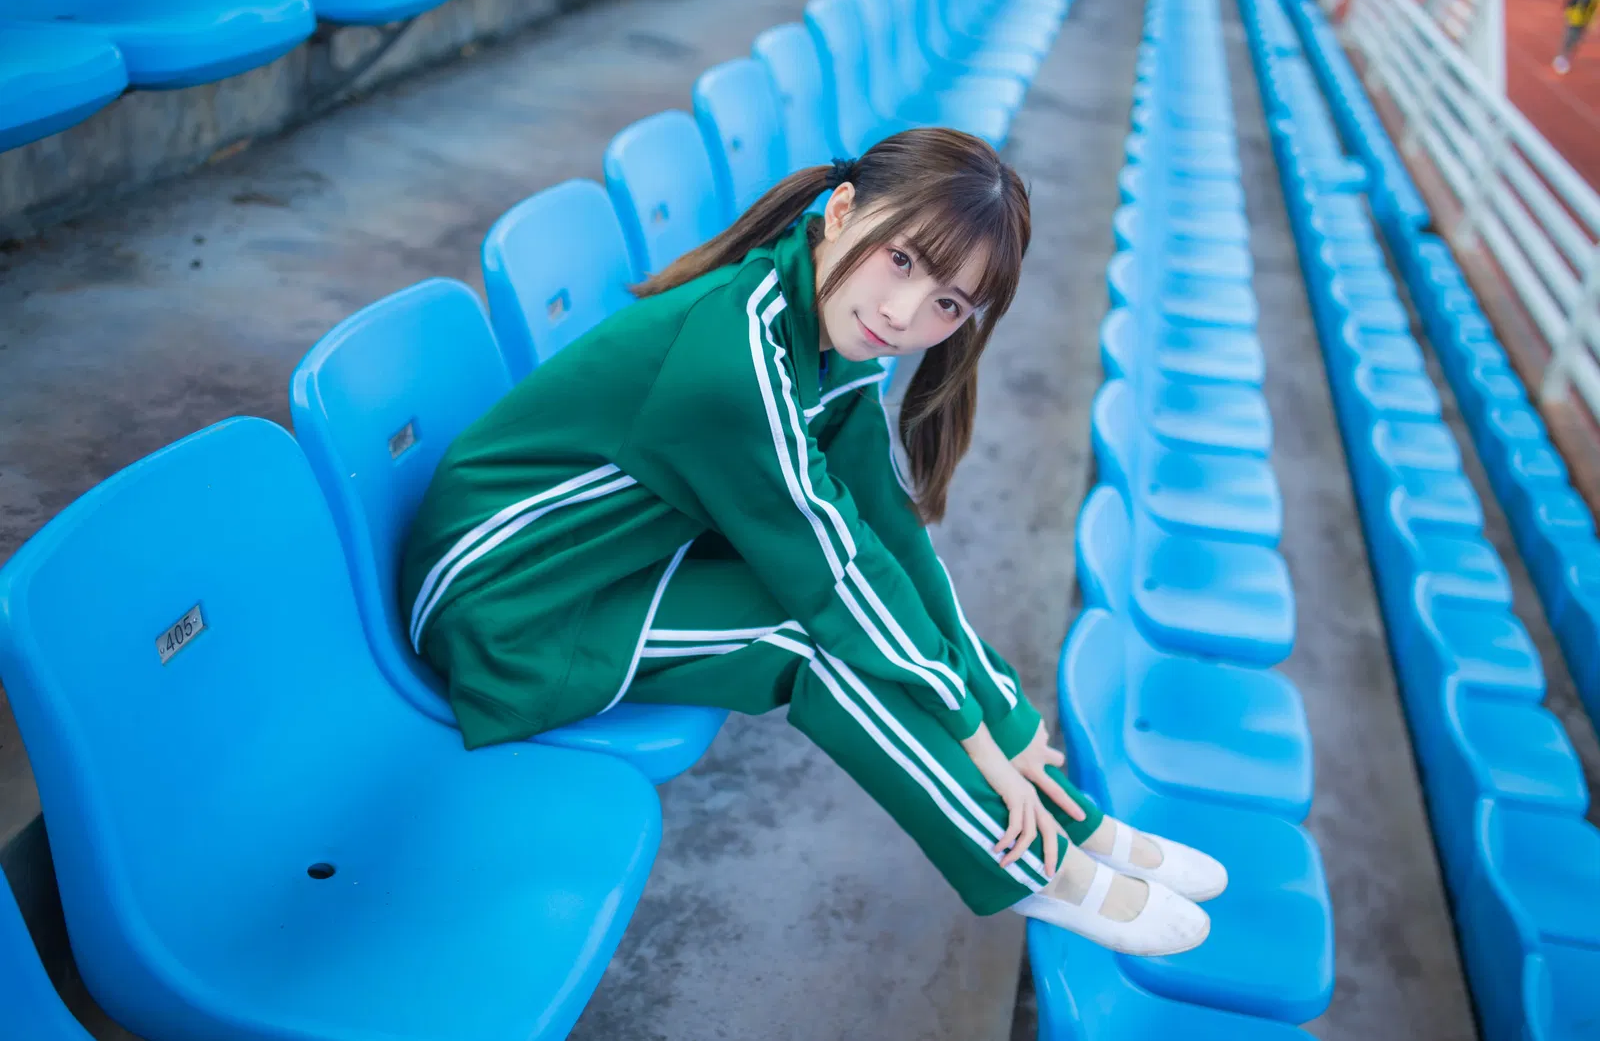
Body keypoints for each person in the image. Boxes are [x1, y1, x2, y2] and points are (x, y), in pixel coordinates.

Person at [400, 127, 1226, 957]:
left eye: (947, 305)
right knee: (810, 634)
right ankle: (1040, 869)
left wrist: (1003, 716)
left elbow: (888, 537)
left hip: (612, 558)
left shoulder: (831, 327)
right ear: (841, 212)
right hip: (508, 601)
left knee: (874, 598)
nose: (904, 315)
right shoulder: (737, 358)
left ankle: (1073, 822)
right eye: (900, 260)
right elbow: (835, 578)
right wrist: (972, 731)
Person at [1555, 0, 1600, 74]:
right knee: (1570, 39)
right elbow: (1574, 4)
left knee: (1575, 41)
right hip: (1575, 20)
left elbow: (1592, 12)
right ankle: (1561, 58)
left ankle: (1565, 58)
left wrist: (1591, 23)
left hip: (1582, 22)